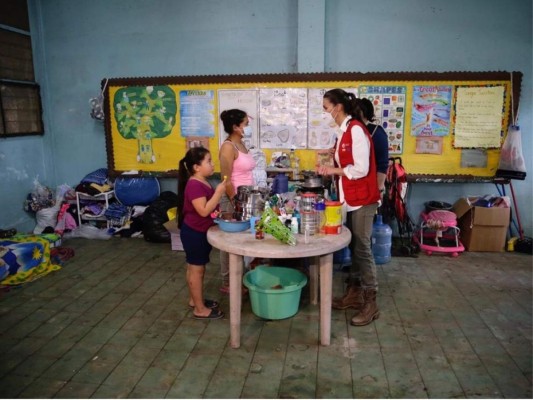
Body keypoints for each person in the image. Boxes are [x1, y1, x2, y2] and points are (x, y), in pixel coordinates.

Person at [317, 89, 381, 326]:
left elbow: (361, 168)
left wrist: (332, 170)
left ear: (338, 107)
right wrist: (330, 156)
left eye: (326, 108)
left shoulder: (355, 129)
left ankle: (371, 302)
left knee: (363, 248)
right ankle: (354, 294)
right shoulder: (343, 132)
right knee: (354, 246)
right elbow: (347, 157)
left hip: (363, 199)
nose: (325, 113)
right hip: (349, 198)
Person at [177, 147, 227, 319]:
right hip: (194, 233)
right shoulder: (194, 185)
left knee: (195, 268)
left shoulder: (202, 181)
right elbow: (203, 211)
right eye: (209, 161)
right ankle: (199, 309)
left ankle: (194, 300)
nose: (213, 164)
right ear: (196, 167)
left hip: (198, 231)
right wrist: (219, 193)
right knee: (196, 270)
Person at [218, 109, 256, 294]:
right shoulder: (227, 147)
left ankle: (241, 278)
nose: (247, 127)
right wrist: (236, 202)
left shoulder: (241, 143)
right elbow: (226, 179)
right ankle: (228, 282)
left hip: (246, 198)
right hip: (233, 199)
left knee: (243, 241)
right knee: (229, 243)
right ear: (235, 127)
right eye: (245, 124)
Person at [358, 98, 389, 196]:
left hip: (371, 187)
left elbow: (383, 164)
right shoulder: (349, 131)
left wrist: (379, 189)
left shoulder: (377, 132)